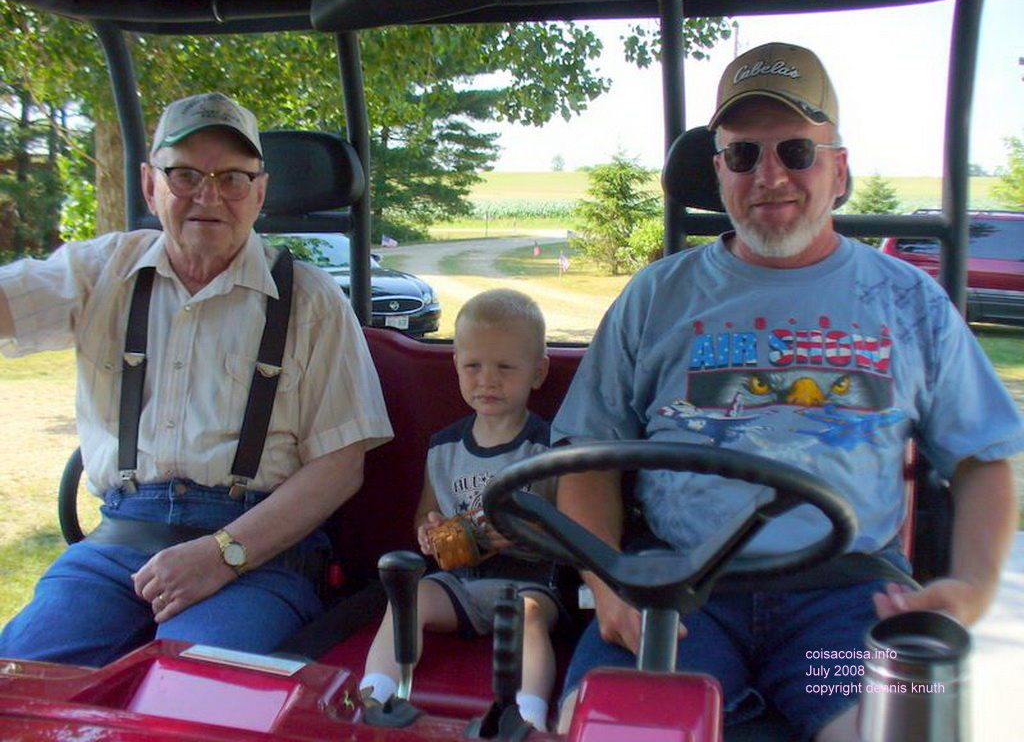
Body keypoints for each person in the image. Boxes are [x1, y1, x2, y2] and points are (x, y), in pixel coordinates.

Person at [552, 43, 1023, 741]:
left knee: (893, 731)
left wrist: (976, 588)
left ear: (839, 169)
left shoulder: (910, 304)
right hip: (679, 596)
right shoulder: (656, 297)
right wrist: (605, 582)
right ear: (718, 173)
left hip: (842, 603)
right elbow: (587, 458)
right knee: (613, 731)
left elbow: (985, 456)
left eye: (796, 151)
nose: (768, 175)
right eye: (743, 155)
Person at [0, 92, 393, 667]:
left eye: (232, 178)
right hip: (119, 542)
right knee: (20, 682)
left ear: (259, 192)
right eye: (184, 174)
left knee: (185, 696)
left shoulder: (311, 301)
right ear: (149, 185)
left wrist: (223, 553)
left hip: (259, 552)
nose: (208, 195)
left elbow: (339, 467)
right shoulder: (100, 272)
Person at [360, 288, 561, 731]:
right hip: (461, 582)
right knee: (407, 597)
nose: (486, 379)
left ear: (537, 372)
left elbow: (574, 533)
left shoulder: (549, 448)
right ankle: (373, 695)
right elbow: (423, 515)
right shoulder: (444, 448)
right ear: (456, 368)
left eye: (505, 367)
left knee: (527, 617)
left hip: (528, 582)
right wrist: (429, 533)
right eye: (473, 366)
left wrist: (529, 533)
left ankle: (529, 716)